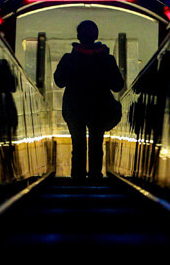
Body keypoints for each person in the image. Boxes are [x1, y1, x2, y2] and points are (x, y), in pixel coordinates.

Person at [53, 20, 125, 182]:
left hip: (74, 107)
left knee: (78, 143)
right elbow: (118, 85)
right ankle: (95, 175)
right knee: (96, 142)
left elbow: (59, 81)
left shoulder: (69, 59)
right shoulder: (107, 59)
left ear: (79, 36)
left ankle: (78, 176)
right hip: (99, 108)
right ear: (96, 36)